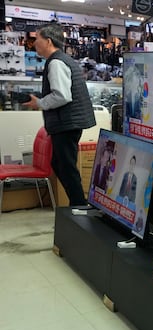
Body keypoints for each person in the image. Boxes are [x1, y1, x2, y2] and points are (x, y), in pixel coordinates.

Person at [23, 23, 96, 206]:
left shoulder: (56, 62)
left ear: (48, 41)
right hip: (68, 122)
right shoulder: (61, 59)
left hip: (67, 123)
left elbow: (62, 95)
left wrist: (39, 103)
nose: (34, 42)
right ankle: (78, 202)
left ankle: (79, 205)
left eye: (37, 38)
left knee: (66, 166)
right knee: (59, 163)